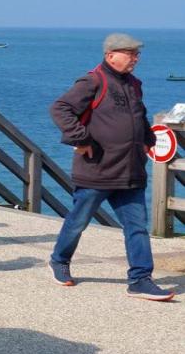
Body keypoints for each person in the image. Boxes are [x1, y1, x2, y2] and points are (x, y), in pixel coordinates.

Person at [48, 33, 175, 301]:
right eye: (130, 53)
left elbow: (138, 116)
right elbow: (60, 108)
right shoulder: (93, 80)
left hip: (130, 170)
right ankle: (59, 260)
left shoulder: (133, 84)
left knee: (137, 227)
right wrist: (80, 139)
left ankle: (140, 279)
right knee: (78, 221)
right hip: (98, 169)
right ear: (111, 55)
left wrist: (148, 141)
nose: (135, 59)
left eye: (137, 54)